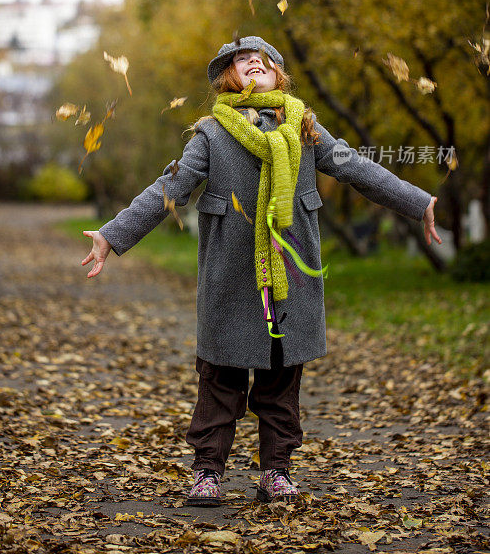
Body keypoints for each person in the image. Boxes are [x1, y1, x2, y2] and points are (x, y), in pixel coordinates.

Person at [81, 35, 441, 506]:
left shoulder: (305, 127)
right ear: (229, 78)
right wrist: (112, 234)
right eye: (241, 61)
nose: (252, 63)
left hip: (289, 279)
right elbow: (169, 188)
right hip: (232, 280)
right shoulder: (212, 133)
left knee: (281, 382)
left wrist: (418, 201)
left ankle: (276, 472)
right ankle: (207, 473)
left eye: (262, 59)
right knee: (220, 382)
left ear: (277, 74)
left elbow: (356, 169)